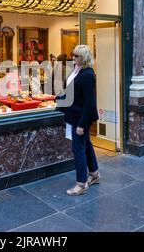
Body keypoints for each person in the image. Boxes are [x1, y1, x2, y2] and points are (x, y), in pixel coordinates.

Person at [58, 45, 100, 196]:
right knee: (86, 145)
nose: (73, 58)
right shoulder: (77, 71)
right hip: (75, 114)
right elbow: (72, 92)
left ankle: (81, 184)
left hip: (81, 118)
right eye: (73, 55)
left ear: (84, 58)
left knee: (78, 149)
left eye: (76, 56)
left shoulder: (87, 74)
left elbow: (90, 102)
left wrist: (82, 124)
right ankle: (94, 174)